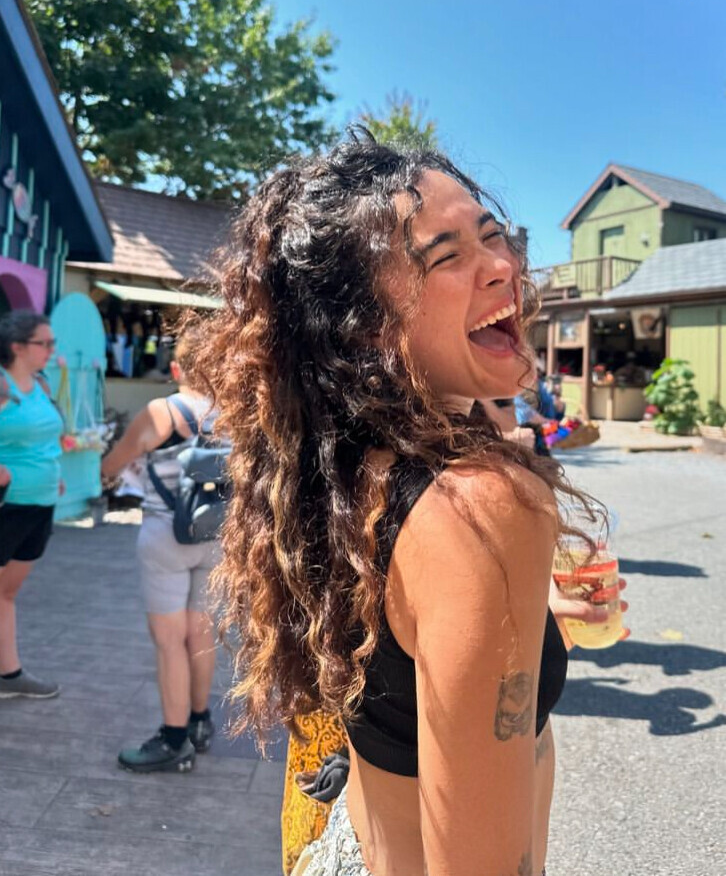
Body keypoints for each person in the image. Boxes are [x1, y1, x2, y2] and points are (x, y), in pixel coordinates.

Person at [192, 130, 607, 876]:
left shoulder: (348, 470)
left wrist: (528, 617)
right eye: (446, 257)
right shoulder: (482, 508)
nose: (505, 267)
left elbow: (402, 663)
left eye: (492, 236)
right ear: (367, 333)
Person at [101, 327, 218, 773]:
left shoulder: (162, 411)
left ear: (176, 368)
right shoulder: (237, 412)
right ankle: (200, 722)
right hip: (217, 537)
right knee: (200, 633)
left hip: (167, 536)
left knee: (169, 641)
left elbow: (113, 464)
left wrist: (112, 469)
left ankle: (173, 740)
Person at [0, 310, 63, 700]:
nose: (51, 350)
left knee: (6, 593)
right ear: (18, 347)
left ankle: (8, 675)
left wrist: (54, 473)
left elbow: (47, 438)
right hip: (8, 506)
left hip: (40, 504)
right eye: (45, 343)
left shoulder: (40, 384)